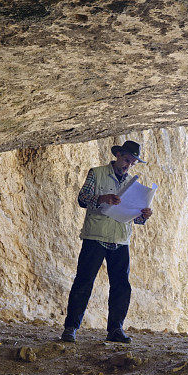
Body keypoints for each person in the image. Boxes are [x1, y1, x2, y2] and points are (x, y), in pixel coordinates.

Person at [61, 140, 152, 343]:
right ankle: (70, 328)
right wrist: (103, 198)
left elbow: (135, 218)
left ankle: (115, 330)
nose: (128, 165)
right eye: (127, 160)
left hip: (120, 239)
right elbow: (82, 198)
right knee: (84, 282)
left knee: (121, 286)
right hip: (95, 236)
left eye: (133, 163)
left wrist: (144, 215)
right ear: (118, 155)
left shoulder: (132, 184)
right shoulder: (97, 173)